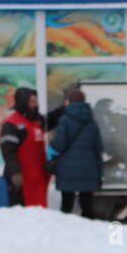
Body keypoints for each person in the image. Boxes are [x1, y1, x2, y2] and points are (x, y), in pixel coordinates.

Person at [50, 86, 103, 218]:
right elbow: (98, 149)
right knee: (87, 205)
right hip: (88, 169)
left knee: (67, 204)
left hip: (67, 170)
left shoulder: (65, 121)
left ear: (68, 102)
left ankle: (66, 232)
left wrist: (51, 143)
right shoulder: (92, 123)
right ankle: (89, 231)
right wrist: (99, 173)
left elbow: (59, 145)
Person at [0, 87, 48, 207]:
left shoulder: (38, 121)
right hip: (20, 179)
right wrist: (15, 173)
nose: (34, 105)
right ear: (23, 102)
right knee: (21, 215)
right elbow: (8, 152)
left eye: (35, 102)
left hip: (38, 178)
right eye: (31, 102)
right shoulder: (11, 124)